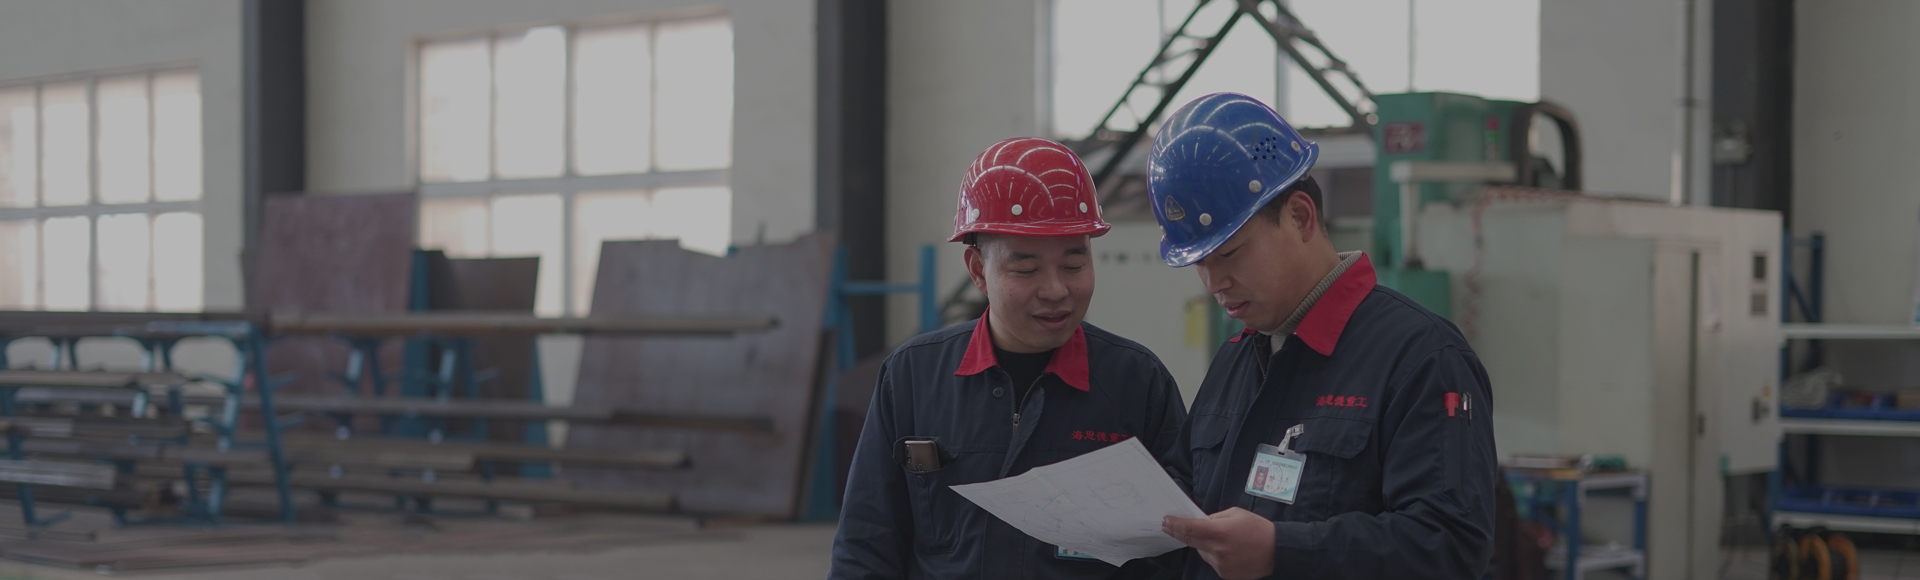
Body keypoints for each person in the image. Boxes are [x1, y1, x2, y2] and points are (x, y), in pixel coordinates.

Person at [1147, 93, 1497, 580]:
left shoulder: (1421, 358)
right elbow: (1188, 496)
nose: (1214, 283)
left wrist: (1282, 551)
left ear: (1300, 217)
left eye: (1228, 254)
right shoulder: (1236, 358)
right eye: (1199, 263)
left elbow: (1450, 546)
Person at [829, 137, 1189, 580]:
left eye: (1074, 265)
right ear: (978, 270)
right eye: (1026, 269)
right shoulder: (913, 378)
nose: (1056, 290)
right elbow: (866, 546)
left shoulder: (1137, 382)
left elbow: (1180, 551)